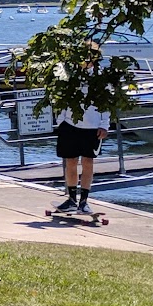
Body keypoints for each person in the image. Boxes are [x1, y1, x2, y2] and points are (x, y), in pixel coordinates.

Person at [54, 44, 111, 216]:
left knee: (88, 162)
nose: (85, 60)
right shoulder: (69, 76)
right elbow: (62, 98)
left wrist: (104, 124)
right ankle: (71, 199)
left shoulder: (101, 79)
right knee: (70, 162)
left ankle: (84, 201)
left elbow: (106, 103)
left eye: (89, 57)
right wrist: (61, 120)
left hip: (92, 127)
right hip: (70, 125)